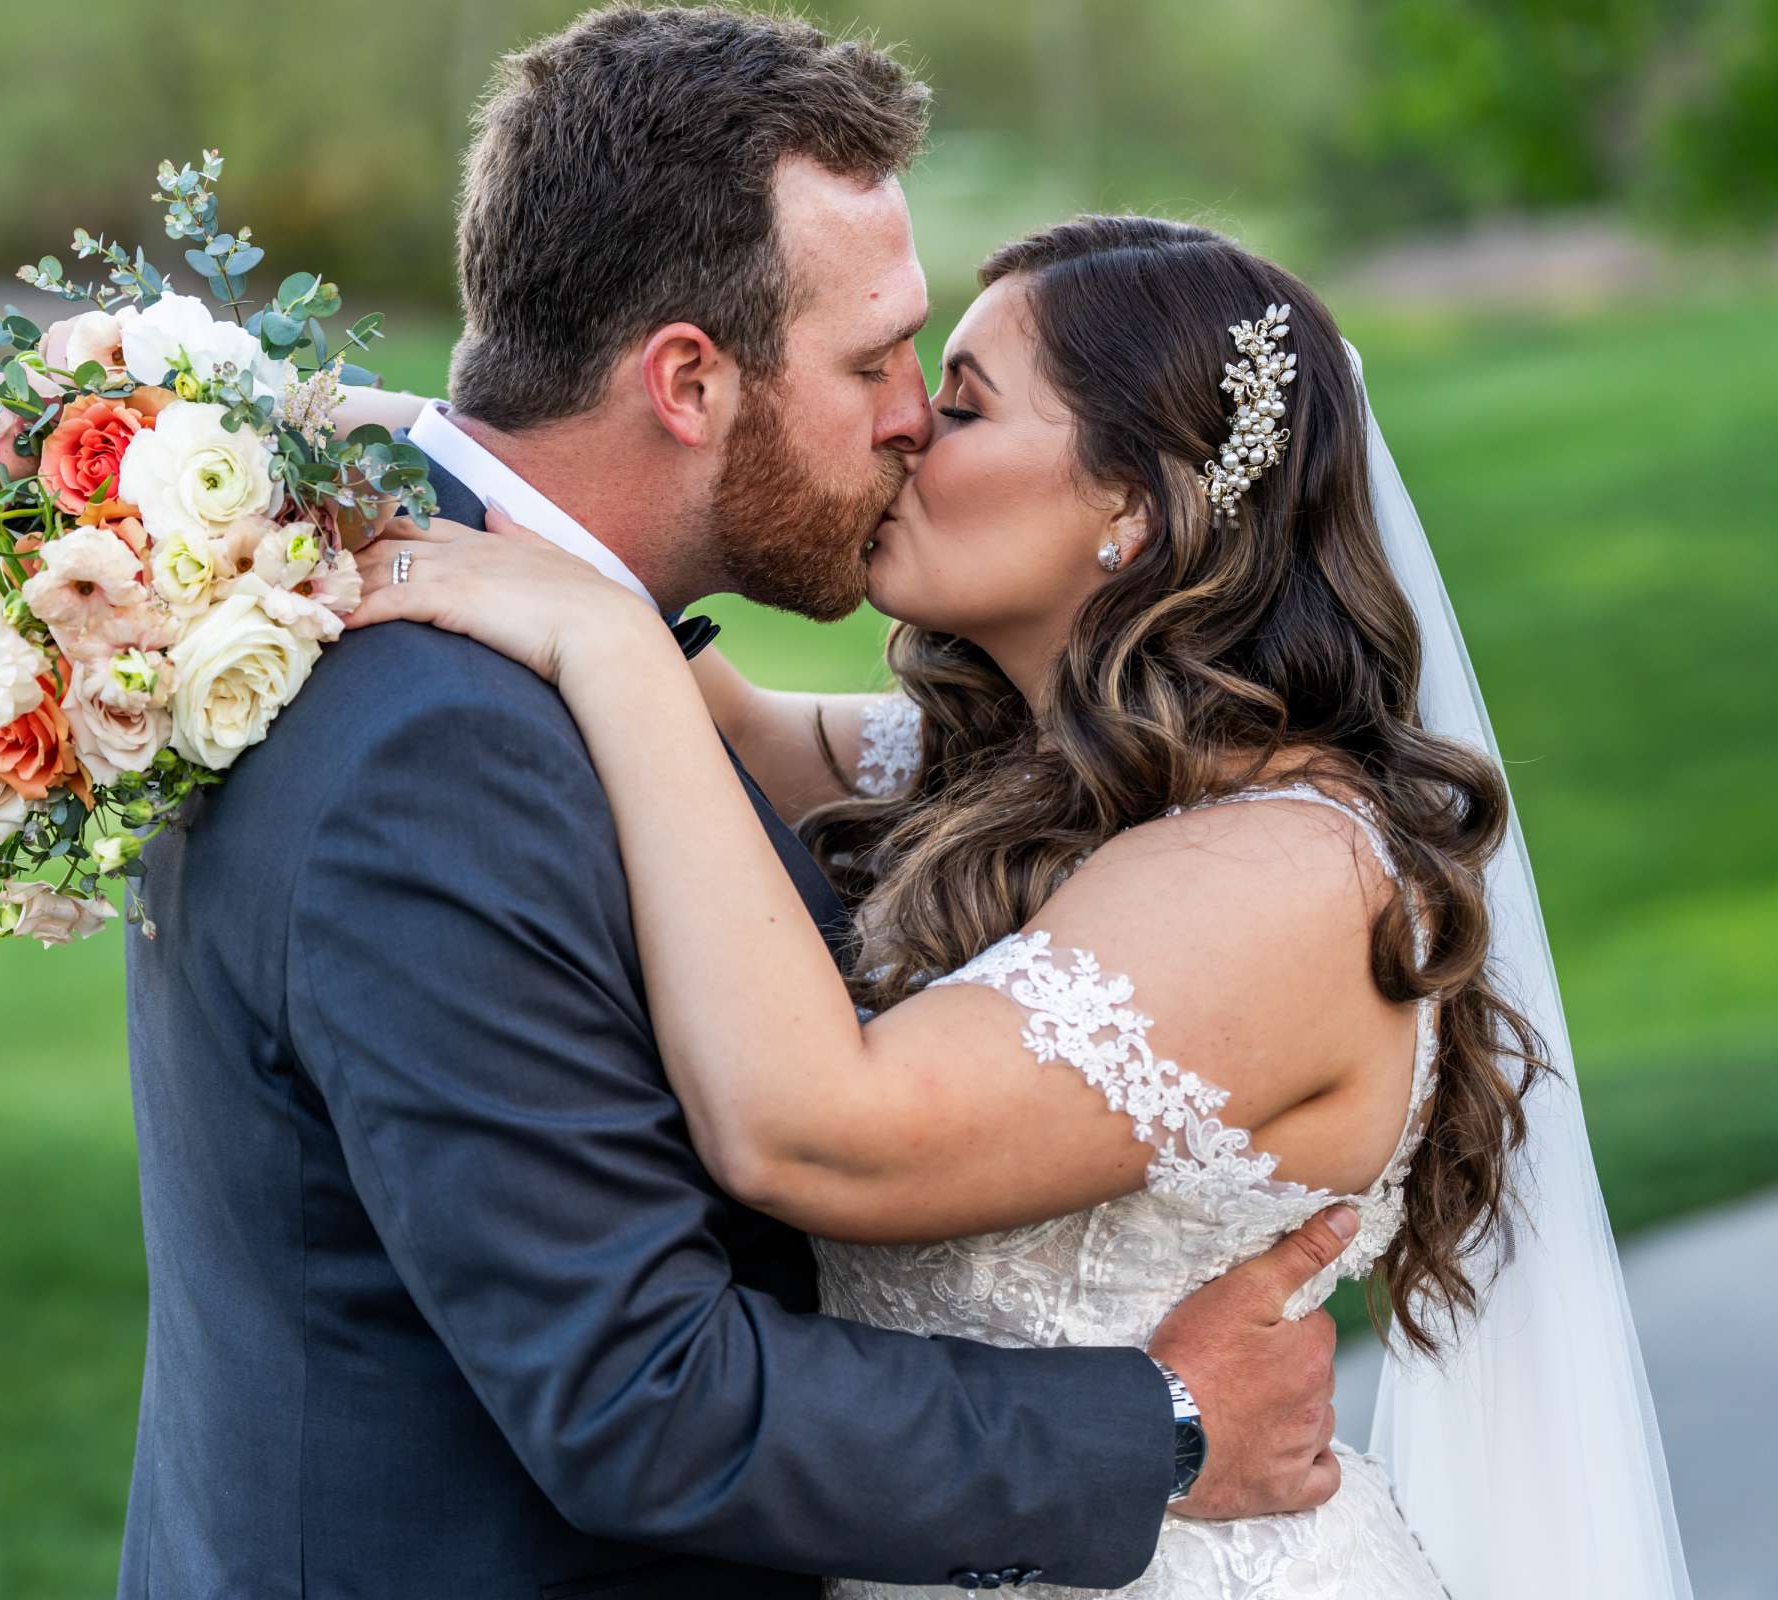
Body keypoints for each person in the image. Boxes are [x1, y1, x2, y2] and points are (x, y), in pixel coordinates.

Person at [118, 9, 1352, 1599]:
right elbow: (644, 1400)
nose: (910, 415)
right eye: (873, 360)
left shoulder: (354, 595)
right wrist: (1164, 1430)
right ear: (689, 382)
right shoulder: (444, 744)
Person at [350, 211, 1696, 1598]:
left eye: (965, 407)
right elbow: (720, 719)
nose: (904, 433)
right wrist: (300, 428)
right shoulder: (1007, 777)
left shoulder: (1295, 879)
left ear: (1137, 504)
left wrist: (607, 647)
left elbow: (821, 1136)